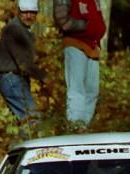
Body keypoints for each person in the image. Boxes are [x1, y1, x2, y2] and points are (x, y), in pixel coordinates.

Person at [53, 0, 106, 129]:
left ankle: (83, 127)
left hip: (92, 46)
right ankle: (75, 127)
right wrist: (85, 25)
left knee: (92, 91)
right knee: (76, 90)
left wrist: (96, 28)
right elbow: (62, 19)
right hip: (75, 43)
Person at [0, 0, 47, 123]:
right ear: (19, 12)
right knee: (33, 120)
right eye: (25, 12)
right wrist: (44, 77)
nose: (28, 16)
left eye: (32, 12)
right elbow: (23, 64)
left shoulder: (24, 30)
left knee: (25, 122)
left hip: (17, 80)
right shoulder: (15, 29)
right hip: (12, 79)